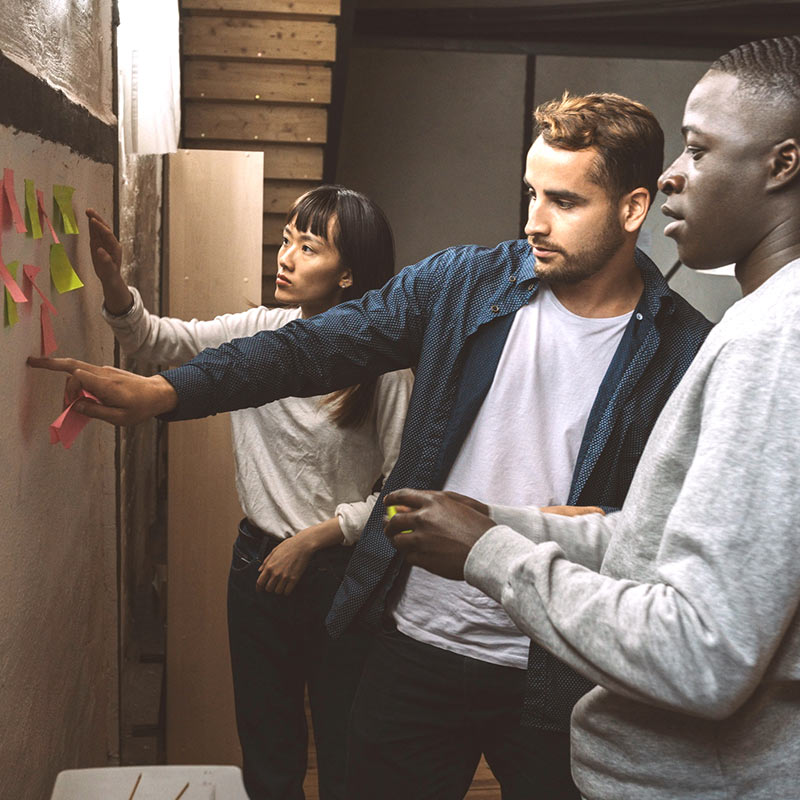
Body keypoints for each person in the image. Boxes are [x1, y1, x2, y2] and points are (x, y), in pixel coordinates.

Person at [30, 94, 711, 798]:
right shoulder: (464, 284)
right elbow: (308, 347)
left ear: (632, 210)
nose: (534, 222)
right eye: (531, 193)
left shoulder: (684, 350)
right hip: (415, 644)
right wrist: (170, 392)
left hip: (559, 663)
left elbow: (672, 533)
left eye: (564, 202)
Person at [383, 35, 800, 800]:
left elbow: (698, 651)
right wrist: (503, 521)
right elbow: (664, 540)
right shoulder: (765, 322)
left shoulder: (777, 339)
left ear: (783, 164)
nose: (675, 172)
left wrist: (491, 552)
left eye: (700, 151)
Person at [84, 186, 414, 800]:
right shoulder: (261, 331)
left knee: (347, 754)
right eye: (286, 239)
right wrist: (112, 284)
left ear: (348, 274)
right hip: (256, 566)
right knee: (269, 751)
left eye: (307, 246)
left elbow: (405, 488)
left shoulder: (385, 366)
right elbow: (156, 344)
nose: (284, 256)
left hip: (342, 572)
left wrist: (318, 537)